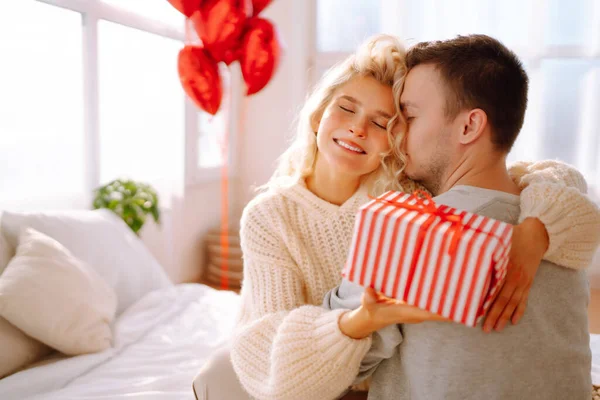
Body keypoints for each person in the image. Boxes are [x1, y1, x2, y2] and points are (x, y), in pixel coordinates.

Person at [192, 35, 599, 400]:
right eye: (346, 109)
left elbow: (541, 175)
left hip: (351, 369)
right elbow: (268, 350)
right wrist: (360, 321)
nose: (357, 130)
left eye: (391, 121)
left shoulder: (410, 202)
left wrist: (536, 229)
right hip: (305, 366)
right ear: (319, 113)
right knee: (223, 371)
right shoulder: (272, 215)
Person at [324, 34, 600, 400]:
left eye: (408, 116)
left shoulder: (410, 230)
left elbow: (333, 368)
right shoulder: (560, 221)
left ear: (469, 126)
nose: (395, 133)